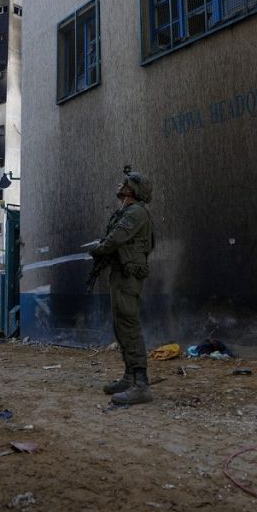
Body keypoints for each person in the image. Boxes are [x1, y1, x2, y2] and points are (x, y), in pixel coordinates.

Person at [89, 167, 156, 405]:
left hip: (129, 276)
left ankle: (141, 384)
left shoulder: (136, 212)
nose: (120, 185)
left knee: (128, 324)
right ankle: (130, 377)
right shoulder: (126, 211)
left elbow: (115, 239)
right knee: (121, 325)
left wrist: (98, 248)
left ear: (133, 189)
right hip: (121, 274)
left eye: (125, 183)